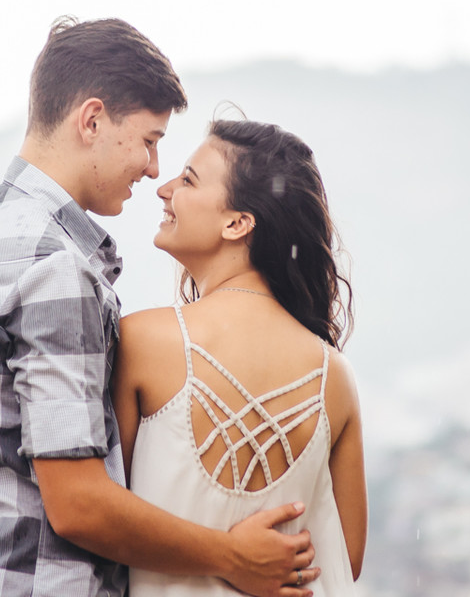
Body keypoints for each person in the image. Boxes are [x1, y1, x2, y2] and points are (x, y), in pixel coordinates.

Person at [0, 18, 320, 597]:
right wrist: (231, 555)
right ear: (92, 120)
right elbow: (77, 505)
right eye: (149, 141)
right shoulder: (54, 266)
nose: (153, 170)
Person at [113, 118, 367, 596]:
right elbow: (344, 557)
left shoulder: (143, 342)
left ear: (237, 223)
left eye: (188, 179)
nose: (163, 188)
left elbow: (104, 520)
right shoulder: (335, 376)